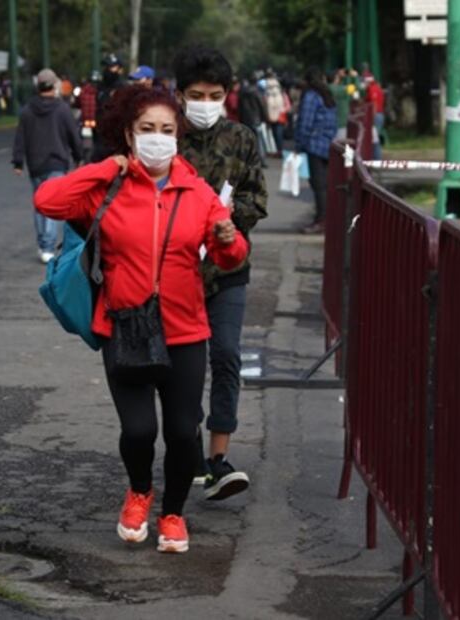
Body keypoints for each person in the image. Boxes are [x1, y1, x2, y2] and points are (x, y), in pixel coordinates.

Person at [33, 85, 249, 553]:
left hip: (185, 330)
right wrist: (106, 166)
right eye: (147, 129)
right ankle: (138, 492)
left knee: (180, 433)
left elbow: (231, 257)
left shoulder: (197, 191)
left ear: (178, 135)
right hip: (124, 326)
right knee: (139, 431)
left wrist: (228, 238)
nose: (158, 138)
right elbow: (47, 201)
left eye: (167, 130)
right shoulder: (106, 187)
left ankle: (173, 514)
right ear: (129, 135)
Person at [172, 46, 268, 501]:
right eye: (196, 94)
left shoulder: (243, 139)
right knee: (181, 368)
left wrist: (230, 219)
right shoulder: (165, 137)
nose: (205, 102)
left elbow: (257, 198)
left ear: (227, 95)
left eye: (213, 94)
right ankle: (187, 450)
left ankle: (219, 458)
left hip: (229, 267)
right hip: (175, 273)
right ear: (179, 94)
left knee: (226, 355)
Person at [11, 68, 83, 264]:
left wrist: (18, 161)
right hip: (57, 161)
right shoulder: (62, 109)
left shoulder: (27, 110)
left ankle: (44, 243)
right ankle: (48, 245)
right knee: (52, 204)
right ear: (54, 85)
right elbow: (73, 135)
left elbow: (21, 138)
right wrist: (79, 156)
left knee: (39, 204)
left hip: (36, 163)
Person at [295, 67, 338, 235]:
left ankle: (321, 220)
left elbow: (306, 120)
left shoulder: (311, 95)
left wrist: (300, 143)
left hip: (314, 144)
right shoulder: (326, 95)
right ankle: (325, 218)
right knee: (325, 184)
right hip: (327, 143)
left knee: (318, 184)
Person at [364, 72, 385, 160]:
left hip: (376, 115)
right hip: (378, 115)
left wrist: (372, 117)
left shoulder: (373, 89)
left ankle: (377, 159)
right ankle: (375, 158)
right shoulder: (375, 88)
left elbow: (374, 104)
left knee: (375, 138)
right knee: (374, 138)